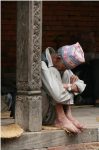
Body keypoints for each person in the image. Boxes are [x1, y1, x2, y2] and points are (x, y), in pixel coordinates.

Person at [41, 42, 86, 133]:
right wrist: (72, 89)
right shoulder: (42, 63)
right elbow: (58, 96)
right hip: (38, 114)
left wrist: (68, 86)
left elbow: (81, 84)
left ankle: (67, 115)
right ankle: (61, 118)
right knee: (54, 72)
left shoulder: (62, 66)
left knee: (65, 75)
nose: (66, 70)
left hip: (51, 111)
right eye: (65, 67)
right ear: (57, 58)